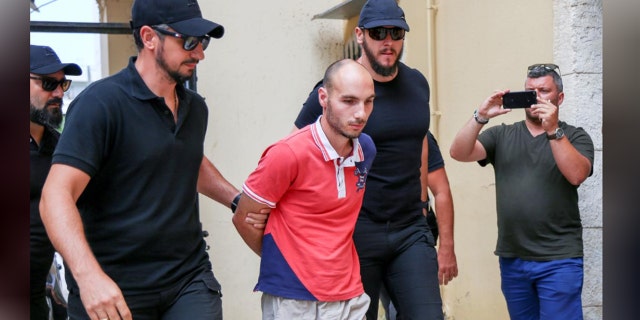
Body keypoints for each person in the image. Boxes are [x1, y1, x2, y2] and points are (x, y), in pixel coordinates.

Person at [39, 0, 267, 319]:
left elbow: (183, 158)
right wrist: (88, 277)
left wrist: (237, 200)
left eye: (202, 42)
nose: (199, 53)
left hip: (187, 278)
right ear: (148, 37)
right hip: (114, 287)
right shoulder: (100, 105)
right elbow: (55, 197)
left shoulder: (195, 108)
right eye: (188, 41)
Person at [294, 0, 457, 318]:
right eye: (378, 32)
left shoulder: (417, 84)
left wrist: (422, 204)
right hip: (355, 231)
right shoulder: (334, 91)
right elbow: (296, 150)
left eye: (396, 32)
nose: (388, 41)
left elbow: (418, 145)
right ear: (360, 35)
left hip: (411, 229)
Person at [232, 59, 376, 320]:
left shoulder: (366, 149)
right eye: (349, 101)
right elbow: (244, 218)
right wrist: (292, 260)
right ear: (323, 97)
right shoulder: (287, 154)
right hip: (293, 296)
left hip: (349, 291)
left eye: (368, 101)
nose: (361, 113)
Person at [449, 63, 594, 320]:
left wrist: (553, 130)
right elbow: (458, 152)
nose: (536, 97)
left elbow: (576, 174)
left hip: (559, 259)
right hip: (513, 258)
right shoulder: (503, 135)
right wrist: (480, 115)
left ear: (559, 97)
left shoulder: (574, 136)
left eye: (544, 91)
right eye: (530, 91)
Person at [379, 130, 456, 320]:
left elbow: (441, 190)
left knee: (416, 308)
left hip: (413, 233)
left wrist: (447, 248)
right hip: (368, 234)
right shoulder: (354, 130)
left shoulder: (417, 132)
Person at [30, 44, 81, 320]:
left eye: (63, 84)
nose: (59, 93)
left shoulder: (61, 147)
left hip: (39, 298)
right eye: (49, 83)